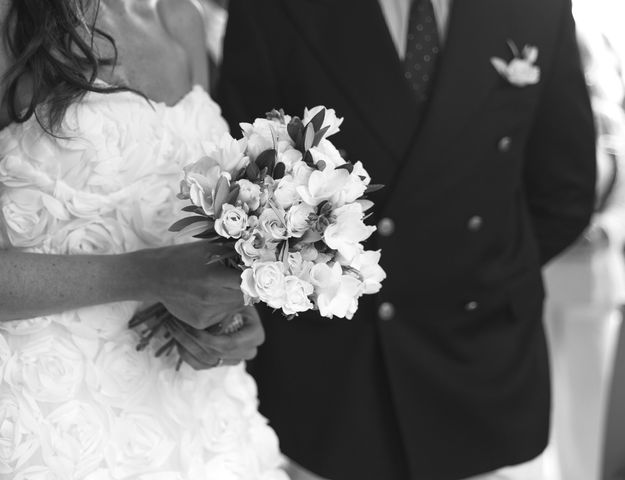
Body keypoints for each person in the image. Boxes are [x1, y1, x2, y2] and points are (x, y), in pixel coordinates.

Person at [216, 0, 597, 479]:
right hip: (338, 376)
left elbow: (565, 191)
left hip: (484, 357)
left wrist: (483, 270)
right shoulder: (275, 8)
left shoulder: (538, 8)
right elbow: (245, 181)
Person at [0, 0, 287, 478]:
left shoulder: (183, 21)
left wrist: (231, 314)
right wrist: (149, 274)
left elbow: (181, 222)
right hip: (51, 421)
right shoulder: (10, 23)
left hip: (196, 418)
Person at [543, 21, 625, 480]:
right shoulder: (537, 117)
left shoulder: (616, 123)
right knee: (538, 401)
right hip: (541, 279)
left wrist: (603, 232)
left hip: (598, 280)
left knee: (591, 398)